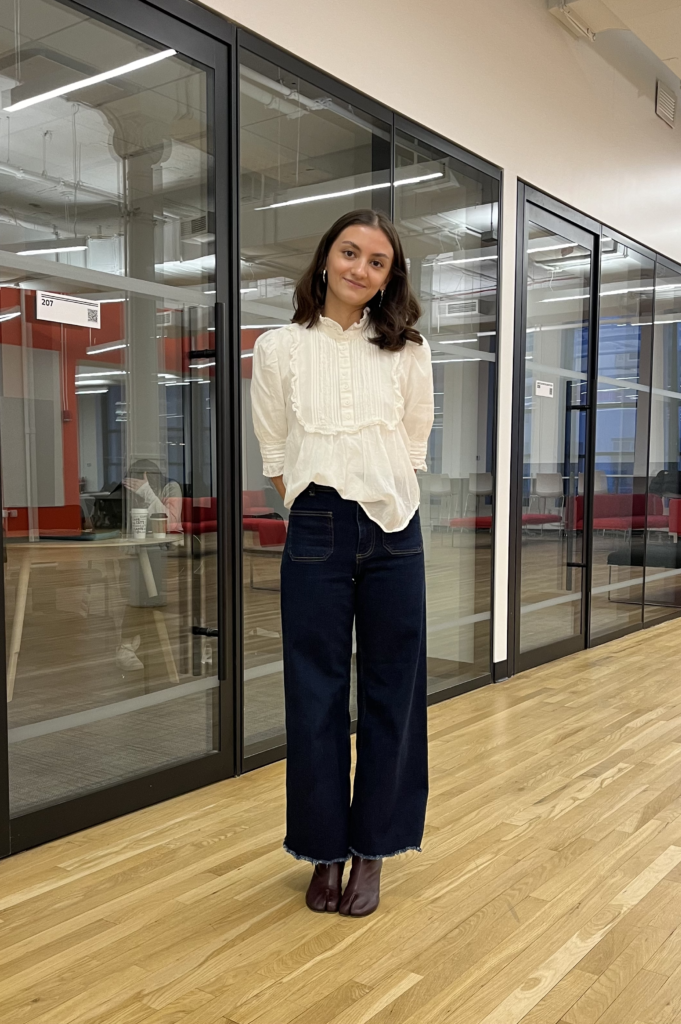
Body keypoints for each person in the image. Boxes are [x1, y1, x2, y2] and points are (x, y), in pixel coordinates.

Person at [251, 209, 434, 917]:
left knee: (395, 693)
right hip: (319, 526)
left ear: (391, 276)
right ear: (326, 258)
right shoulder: (278, 348)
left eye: (378, 261)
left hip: (396, 530)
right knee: (315, 696)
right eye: (350, 252)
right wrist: (318, 511)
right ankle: (323, 850)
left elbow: (413, 447)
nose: (361, 268)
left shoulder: (409, 349)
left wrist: (383, 499)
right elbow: (275, 456)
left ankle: (372, 852)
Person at [116, 459, 182, 672]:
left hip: (161, 551)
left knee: (149, 597)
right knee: (136, 596)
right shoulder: (126, 492)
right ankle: (132, 643)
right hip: (133, 551)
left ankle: (130, 644)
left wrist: (147, 493)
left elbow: (170, 522)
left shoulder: (170, 487)